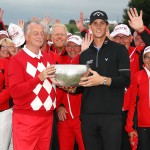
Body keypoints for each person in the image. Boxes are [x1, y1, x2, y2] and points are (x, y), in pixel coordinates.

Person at [78, 10, 130, 150]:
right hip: (88, 117)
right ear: (90, 27)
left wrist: (102, 80)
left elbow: (125, 80)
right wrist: (72, 86)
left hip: (111, 116)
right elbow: (82, 85)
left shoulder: (119, 50)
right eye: (95, 23)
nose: (98, 26)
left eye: (102, 23)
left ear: (107, 26)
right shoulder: (84, 54)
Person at [8, 20, 57, 150]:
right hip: (26, 119)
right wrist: (39, 78)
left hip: (47, 118)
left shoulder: (48, 58)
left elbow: (53, 84)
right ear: (26, 36)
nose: (40, 36)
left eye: (42, 33)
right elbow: (14, 91)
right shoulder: (16, 60)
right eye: (35, 33)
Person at [56, 35, 85, 150]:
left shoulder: (85, 63)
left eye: (76, 46)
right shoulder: (60, 62)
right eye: (69, 45)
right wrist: (59, 106)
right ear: (66, 47)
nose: (72, 48)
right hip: (64, 117)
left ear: (81, 47)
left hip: (81, 118)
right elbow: (56, 89)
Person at [125, 46, 150, 149]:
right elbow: (133, 102)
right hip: (143, 126)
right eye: (147, 57)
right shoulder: (137, 76)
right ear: (143, 59)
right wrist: (129, 127)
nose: (149, 60)